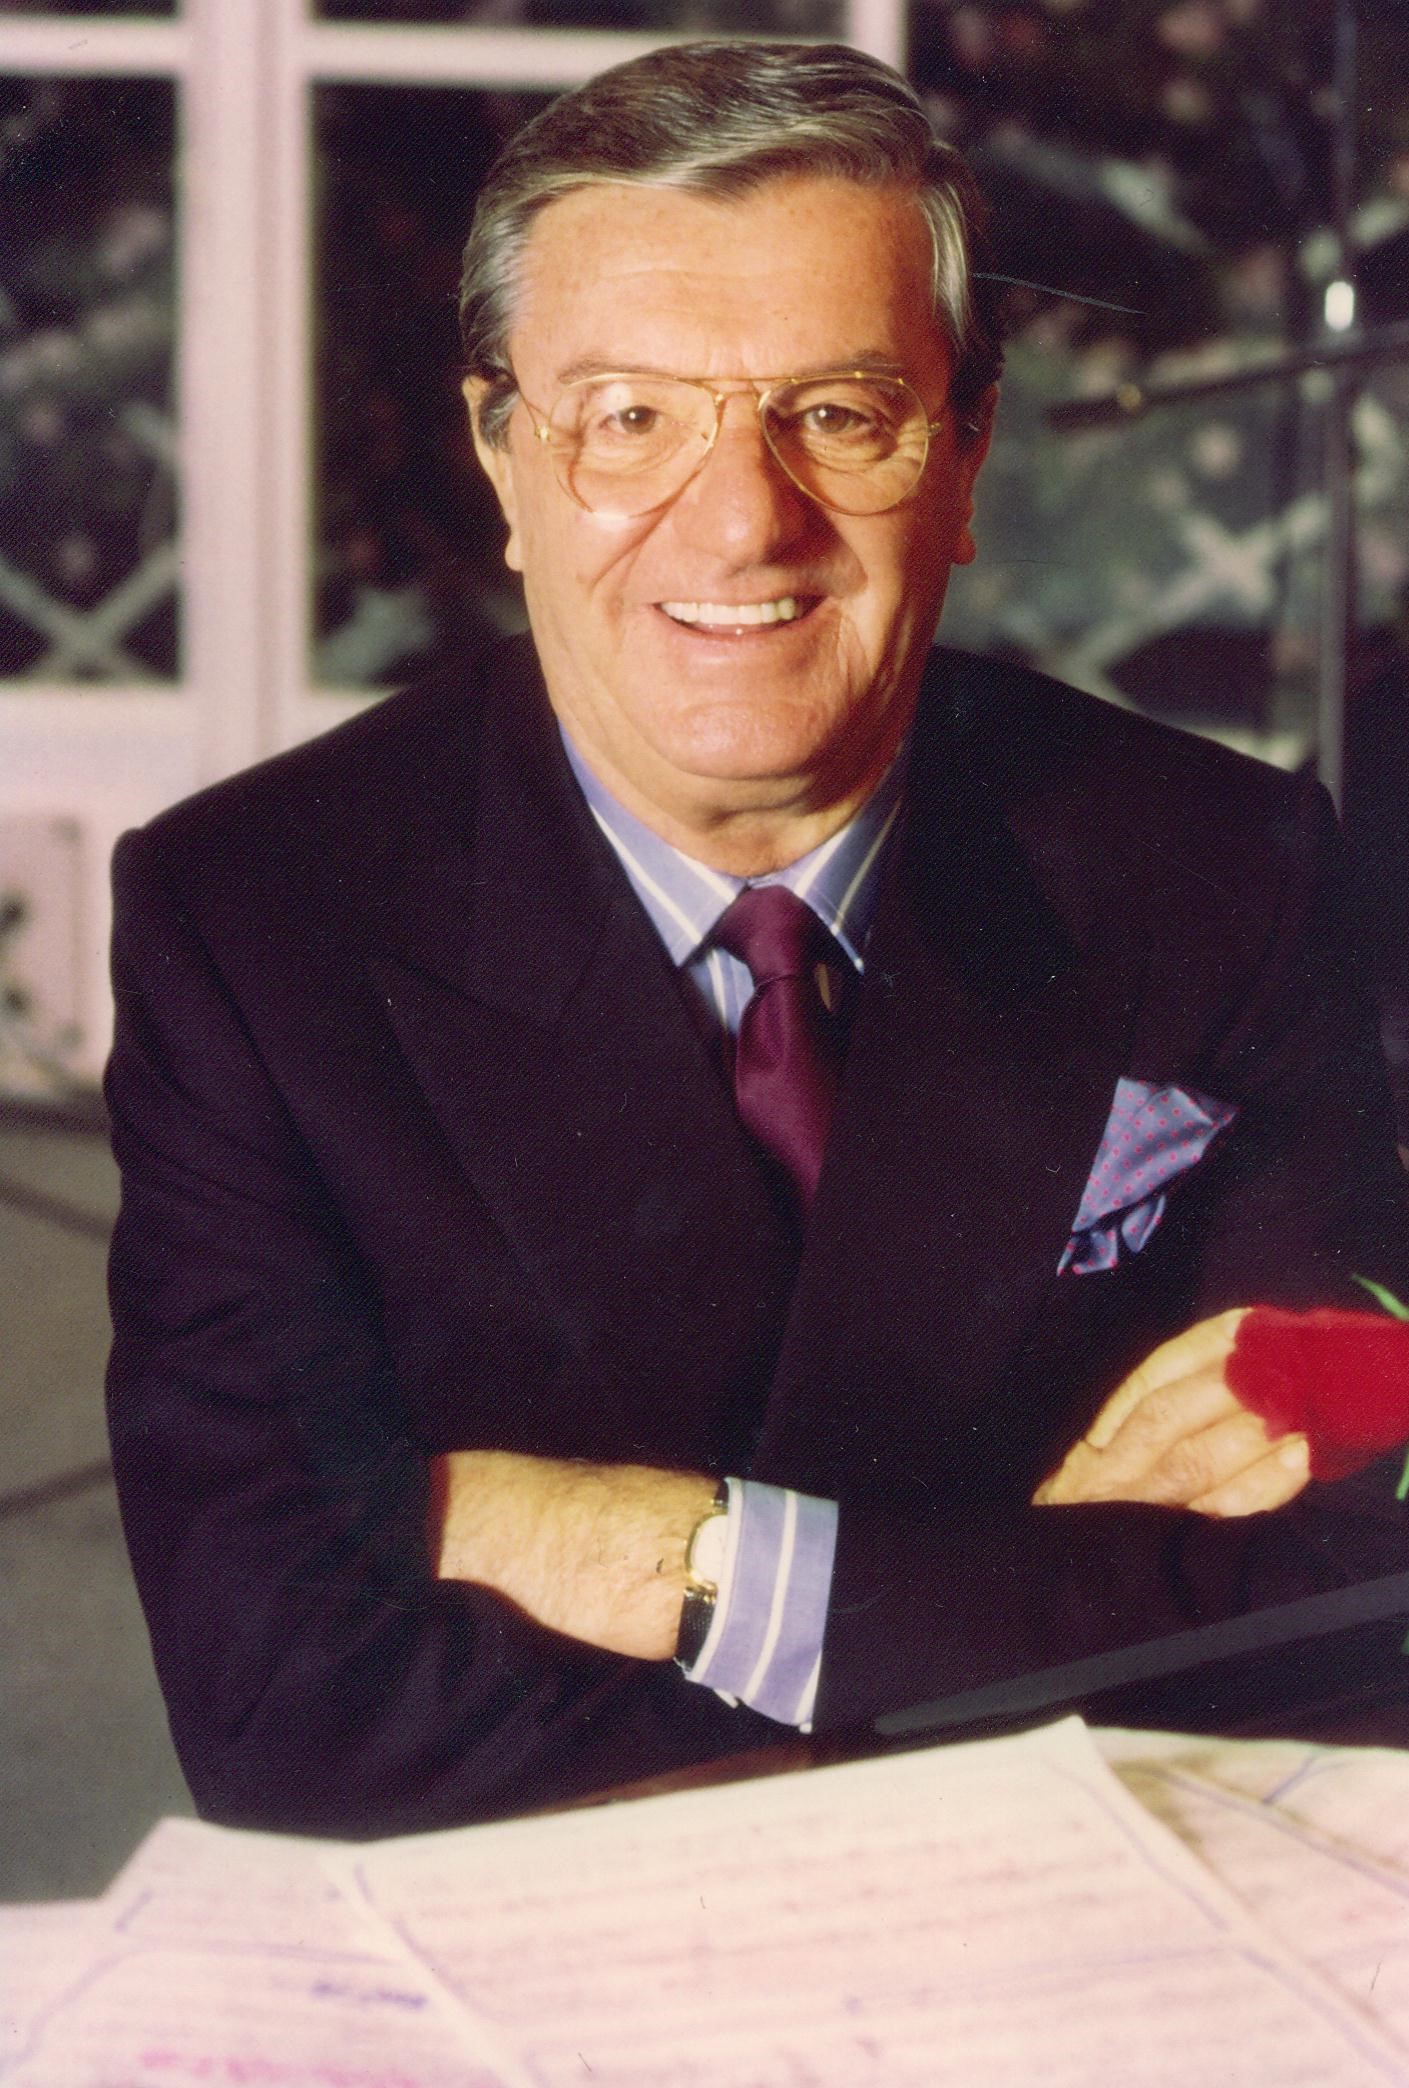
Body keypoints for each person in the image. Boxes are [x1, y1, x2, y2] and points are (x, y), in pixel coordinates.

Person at [105, 41, 1409, 1840]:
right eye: (628, 418)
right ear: (504, 458)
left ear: (964, 454)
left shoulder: (1221, 865)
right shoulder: (255, 920)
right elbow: (283, 1709)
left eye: (839, 414)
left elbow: (1339, 1615)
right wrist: (1019, 1605)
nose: (741, 523)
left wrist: (690, 1557)